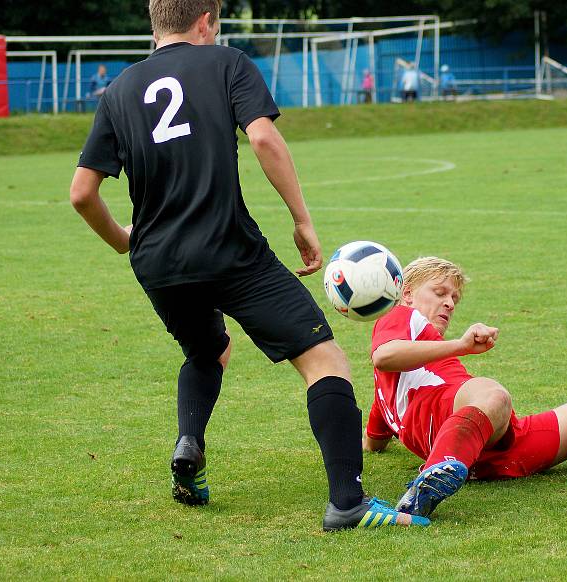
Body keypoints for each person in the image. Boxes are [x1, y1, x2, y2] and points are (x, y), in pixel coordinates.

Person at [69, 0, 428, 531]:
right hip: (229, 250)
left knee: (208, 349)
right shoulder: (227, 62)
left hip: (158, 260)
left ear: (155, 23)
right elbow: (262, 136)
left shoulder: (119, 89)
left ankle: (189, 446)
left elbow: (81, 193)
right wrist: (302, 220)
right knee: (323, 360)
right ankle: (347, 504)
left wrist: (124, 240)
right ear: (206, 21)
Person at [363, 257, 567, 518]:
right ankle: (430, 479)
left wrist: (366, 444)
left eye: (454, 298)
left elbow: (374, 440)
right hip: (461, 428)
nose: (449, 303)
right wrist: (461, 346)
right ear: (406, 294)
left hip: (497, 442)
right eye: (440, 292)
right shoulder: (400, 315)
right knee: (492, 393)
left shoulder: (387, 393)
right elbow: (385, 356)